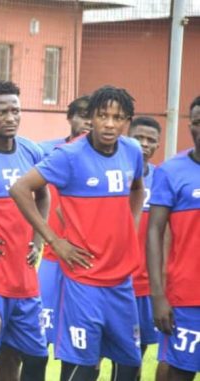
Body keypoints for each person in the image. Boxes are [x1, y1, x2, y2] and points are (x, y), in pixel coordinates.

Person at [10, 85, 145, 380]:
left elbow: (137, 189)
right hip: (83, 277)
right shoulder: (69, 156)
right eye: (102, 116)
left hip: (121, 278)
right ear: (92, 118)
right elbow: (20, 188)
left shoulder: (132, 150)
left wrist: (130, 226)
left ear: (127, 122)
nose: (110, 124)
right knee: (82, 365)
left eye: (118, 117)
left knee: (131, 364)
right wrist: (54, 241)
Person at [0, 81, 48, 381]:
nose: (10, 117)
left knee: (32, 357)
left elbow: (43, 195)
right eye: (1, 111)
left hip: (25, 278)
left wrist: (38, 238)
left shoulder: (32, 151)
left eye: (15, 110)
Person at [147, 96, 200, 381]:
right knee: (179, 373)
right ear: (190, 125)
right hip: (187, 297)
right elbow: (154, 231)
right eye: (198, 122)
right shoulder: (171, 171)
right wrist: (158, 296)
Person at [35, 95, 90, 346]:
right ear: (70, 118)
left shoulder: (102, 156)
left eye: (94, 115)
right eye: (82, 114)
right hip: (50, 252)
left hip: (84, 255)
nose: (88, 120)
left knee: (80, 332)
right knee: (40, 333)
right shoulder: (46, 151)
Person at [125, 116, 162, 378]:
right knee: (104, 351)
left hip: (149, 284)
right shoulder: (115, 173)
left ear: (158, 145)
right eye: (139, 138)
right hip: (116, 281)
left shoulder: (163, 178)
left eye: (151, 140)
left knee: (141, 351)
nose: (144, 144)